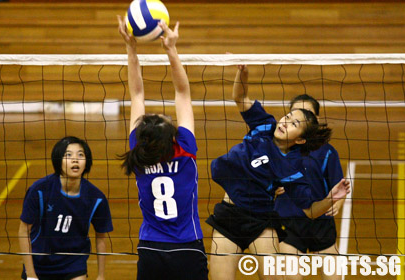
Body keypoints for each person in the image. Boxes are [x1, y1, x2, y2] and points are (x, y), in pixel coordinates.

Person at [206, 65, 350, 280]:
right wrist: (242, 73)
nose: (285, 122)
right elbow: (239, 96)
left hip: (261, 222)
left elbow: (310, 211)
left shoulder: (292, 168)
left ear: (300, 139)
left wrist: (331, 198)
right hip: (230, 215)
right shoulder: (264, 125)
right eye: (288, 116)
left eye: (294, 124)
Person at [117, 17, 208, 280]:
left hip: (150, 248)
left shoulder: (138, 153)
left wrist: (131, 48)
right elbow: (183, 93)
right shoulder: (185, 149)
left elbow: (136, 94)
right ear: (173, 138)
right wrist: (171, 49)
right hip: (187, 246)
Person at [18, 136, 113, 280]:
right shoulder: (39, 190)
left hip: (74, 263)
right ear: (58, 161)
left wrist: (101, 276)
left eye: (80, 155)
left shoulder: (96, 198)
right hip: (39, 263)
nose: (75, 159)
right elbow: (23, 231)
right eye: (68, 155)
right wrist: (31, 275)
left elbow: (101, 238)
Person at [274, 94, 345, 280]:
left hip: (320, 222)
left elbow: (338, 184)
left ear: (316, 121)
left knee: (334, 276)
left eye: (307, 114)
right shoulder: (276, 150)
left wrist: (338, 202)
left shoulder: (327, 152)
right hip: (288, 222)